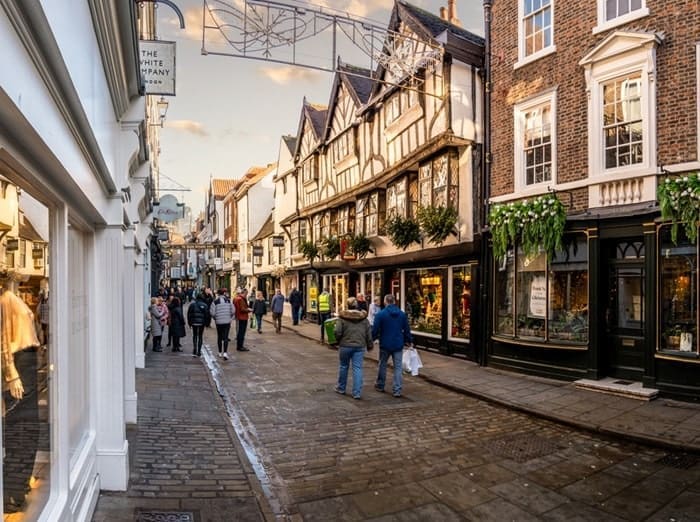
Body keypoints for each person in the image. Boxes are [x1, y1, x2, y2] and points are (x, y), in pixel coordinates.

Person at [372, 294, 413, 398]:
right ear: (394, 301)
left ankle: (380, 385)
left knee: (382, 364)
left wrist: (371, 340)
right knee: (398, 368)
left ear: (385, 302)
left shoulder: (380, 315)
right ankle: (397, 390)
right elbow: (407, 329)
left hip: (385, 343)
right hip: (398, 344)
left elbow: (375, 330)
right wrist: (409, 340)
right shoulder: (402, 314)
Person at [333, 297, 373, 400]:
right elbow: (368, 333)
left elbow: (337, 331)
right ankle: (357, 393)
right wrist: (370, 345)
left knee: (343, 366)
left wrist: (337, 340)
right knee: (358, 368)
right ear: (357, 305)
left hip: (345, 345)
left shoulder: (342, 317)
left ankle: (341, 388)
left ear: (348, 305)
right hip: (359, 346)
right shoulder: (363, 318)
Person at [211, 288, 235, 359]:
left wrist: (215, 318)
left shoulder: (215, 302)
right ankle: (225, 353)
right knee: (225, 337)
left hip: (219, 322)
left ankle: (219, 352)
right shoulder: (228, 301)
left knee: (219, 336)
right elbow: (233, 311)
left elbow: (212, 313)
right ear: (224, 293)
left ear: (218, 294)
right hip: (227, 321)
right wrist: (230, 317)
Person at [187, 293, 210, 357]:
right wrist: (207, 323)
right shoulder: (205, 305)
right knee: (200, 336)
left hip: (194, 322)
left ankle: (195, 348)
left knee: (194, 335)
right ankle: (199, 351)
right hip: (201, 323)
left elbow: (189, 314)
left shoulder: (192, 305)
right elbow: (207, 315)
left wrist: (189, 323)